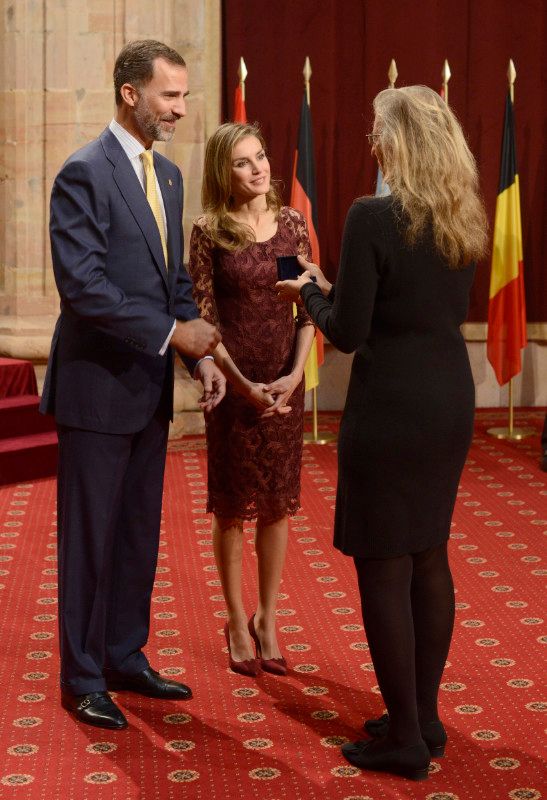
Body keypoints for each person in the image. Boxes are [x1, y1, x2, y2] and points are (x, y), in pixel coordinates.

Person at [277, 86, 488, 780]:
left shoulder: (372, 215)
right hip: (448, 397)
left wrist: (306, 290)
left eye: (376, 131)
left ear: (399, 141)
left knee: (383, 566)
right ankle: (421, 719)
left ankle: (402, 740)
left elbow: (349, 330)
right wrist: (332, 290)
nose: (371, 143)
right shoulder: (459, 214)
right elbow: (405, 304)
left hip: (391, 408)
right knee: (428, 554)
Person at [40, 40, 225, 730]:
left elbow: (171, 282)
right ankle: (82, 675)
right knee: (89, 539)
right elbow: (82, 288)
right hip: (94, 391)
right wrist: (173, 335)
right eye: (169, 96)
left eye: (182, 96)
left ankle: (123, 655)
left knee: (136, 535)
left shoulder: (168, 175)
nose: (179, 108)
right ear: (130, 94)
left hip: (147, 388)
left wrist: (196, 357)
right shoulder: (83, 173)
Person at [188, 122, 315, 677]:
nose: (258, 167)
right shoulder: (210, 230)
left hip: (285, 385)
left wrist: (293, 378)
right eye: (243, 162)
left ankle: (269, 617)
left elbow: (306, 307)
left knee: (277, 503)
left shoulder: (289, 225)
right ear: (224, 172)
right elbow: (205, 319)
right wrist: (243, 386)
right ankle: (236, 618)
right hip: (235, 388)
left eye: (260, 156)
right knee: (234, 505)